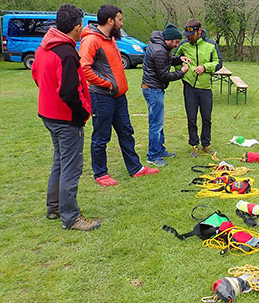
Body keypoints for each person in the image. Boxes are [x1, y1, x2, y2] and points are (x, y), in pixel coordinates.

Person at [31, 4, 100, 231]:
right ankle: (70, 217)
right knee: (71, 166)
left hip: (48, 115)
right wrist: (82, 114)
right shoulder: (67, 53)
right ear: (77, 27)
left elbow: (37, 75)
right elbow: (69, 91)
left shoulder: (44, 46)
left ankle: (54, 207)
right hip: (65, 119)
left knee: (59, 162)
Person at [79, 4, 158, 186]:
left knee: (126, 132)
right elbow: (84, 68)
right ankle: (100, 173)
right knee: (101, 136)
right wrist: (107, 84)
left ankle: (135, 168)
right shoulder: (92, 40)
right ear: (110, 20)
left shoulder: (110, 39)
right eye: (120, 19)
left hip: (118, 97)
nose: (122, 23)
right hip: (101, 97)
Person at [141, 23, 191, 166]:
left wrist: (179, 58)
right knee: (156, 124)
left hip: (152, 87)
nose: (176, 45)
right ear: (168, 40)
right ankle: (153, 155)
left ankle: (160, 149)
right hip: (153, 89)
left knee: (159, 122)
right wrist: (181, 72)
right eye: (175, 42)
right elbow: (164, 75)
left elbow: (165, 61)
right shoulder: (160, 51)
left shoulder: (159, 44)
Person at [174, 18, 220, 158]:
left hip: (205, 88)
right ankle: (194, 145)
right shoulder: (183, 45)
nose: (189, 38)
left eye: (191, 35)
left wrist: (205, 67)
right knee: (191, 118)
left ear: (199, 31)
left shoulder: (211, 44)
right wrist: (182, 71)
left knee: (206, 118)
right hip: (190, 88)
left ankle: (206, 144)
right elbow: (175, 60)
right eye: (187, 36)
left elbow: (218, 63)